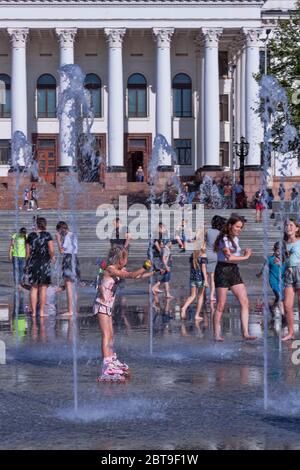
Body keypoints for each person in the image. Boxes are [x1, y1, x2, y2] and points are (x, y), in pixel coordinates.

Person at [94, 245, 153, 381]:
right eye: (126, 258)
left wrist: (152, 272)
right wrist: (145, 266)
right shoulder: (110, 269)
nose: (127, 260)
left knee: (111, 334)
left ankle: (112, 359)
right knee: (106, 334)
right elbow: (131, 275)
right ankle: (106, 365)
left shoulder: (118, 269)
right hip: (101, 305)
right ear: (120, 259)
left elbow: (136, 277)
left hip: (108, 306)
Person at [213, 214, 257, 342]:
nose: (239, 229)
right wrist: (246, 257)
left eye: (241, 227)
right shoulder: (223, 239)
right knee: (221, 305)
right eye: (237, 226)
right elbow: (229, 258)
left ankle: (245, 332)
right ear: (230, 225)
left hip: (233, 270)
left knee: (245, 301)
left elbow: (234, 257)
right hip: (222, 270)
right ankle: (216, 334)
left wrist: (241, 254)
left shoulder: (235, 239)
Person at [25, 217, 55, 317]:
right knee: (43, 288)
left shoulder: (31, 236)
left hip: (33, 263)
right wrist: (53, 258)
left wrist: (27, 264)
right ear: (44, 224)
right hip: (44, 263)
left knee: (33, 288)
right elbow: (51, 250)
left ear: (36, 224)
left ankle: (33, 312)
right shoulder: (47, 235)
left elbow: (27, 253)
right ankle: (41, 312)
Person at [56, 221, 81, 316]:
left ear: (61, 229)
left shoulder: (67, 236)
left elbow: (62, 251)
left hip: (68, 259)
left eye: (58, 231)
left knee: (69, 287)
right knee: (73, 287)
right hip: (75, 259)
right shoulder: (72, 234)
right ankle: (74, 310)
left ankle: (70, 311)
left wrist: (58, 240)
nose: (59, 233)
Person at [180, 239, 208, 321]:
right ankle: (197, 315)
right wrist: (206, 280)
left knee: (192, 296)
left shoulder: (193, 255)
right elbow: (203, 268)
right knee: (200, 296)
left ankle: (184, 307)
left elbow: (192, 267)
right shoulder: (203, 255)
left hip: (193, 278)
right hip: (200, 278)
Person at [282, 219, 300, 341]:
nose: (288, 227)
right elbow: (285, 259)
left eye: (291, 225)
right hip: (288, 273)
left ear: (297, 229)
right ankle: (291, 332)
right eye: (286, 225)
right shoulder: (284, 243)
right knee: (287, 305)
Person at [256, 241, 286, 315]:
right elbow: (264, 267)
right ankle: (283, 315)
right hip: (273, 281)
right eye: (277, 250)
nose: (278, 252)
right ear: (274, 250)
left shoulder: (285, 260)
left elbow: (289, 268)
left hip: (282, 281)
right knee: (279, 296)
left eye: (280, 250)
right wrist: (260, 273)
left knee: (281, 297)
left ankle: (272, 307)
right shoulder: (270, 259)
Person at [205, 215, 227, 303]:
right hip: (215, 255)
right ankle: (211, 296)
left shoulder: (207, 231)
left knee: (204, 276)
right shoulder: (220, 233)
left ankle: (202, 294)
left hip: (205, 254)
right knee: (212, 277)